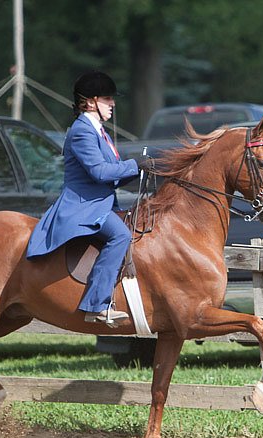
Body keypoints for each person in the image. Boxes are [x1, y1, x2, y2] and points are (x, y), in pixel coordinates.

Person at [26, 71, 151, 325]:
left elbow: (111, 177)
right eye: (107, 99)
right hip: (84, 206)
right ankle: (97, 304)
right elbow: (99, 172)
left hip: (100, 202)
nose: (112, 104)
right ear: (91, 102)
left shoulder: (99, 131)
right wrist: (133, 165)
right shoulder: (83, 131)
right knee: (121, 235)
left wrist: (143, 170)